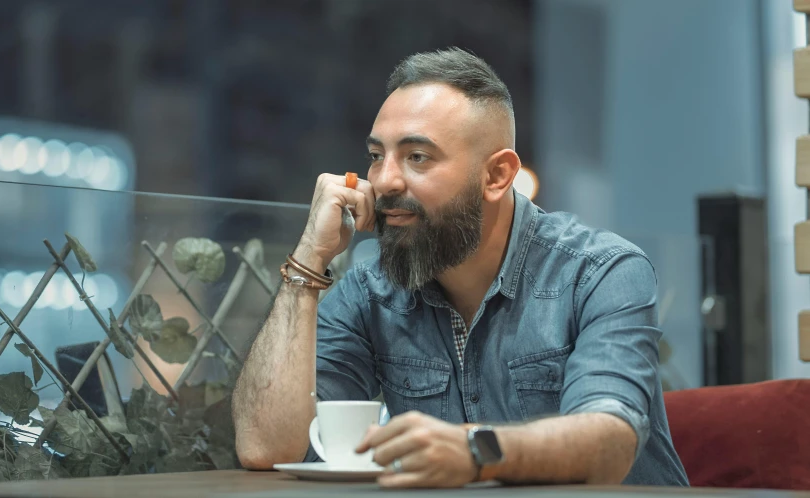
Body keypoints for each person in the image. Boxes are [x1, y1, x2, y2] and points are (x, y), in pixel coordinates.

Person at [232, 47, 689, 489]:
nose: (384, 180)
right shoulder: (372, 290)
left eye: (417, 157)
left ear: (496, 176)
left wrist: (475, 453)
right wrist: (309, 259)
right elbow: (265, 448)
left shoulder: (601, 273)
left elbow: (609, 444)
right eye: (376, 155)